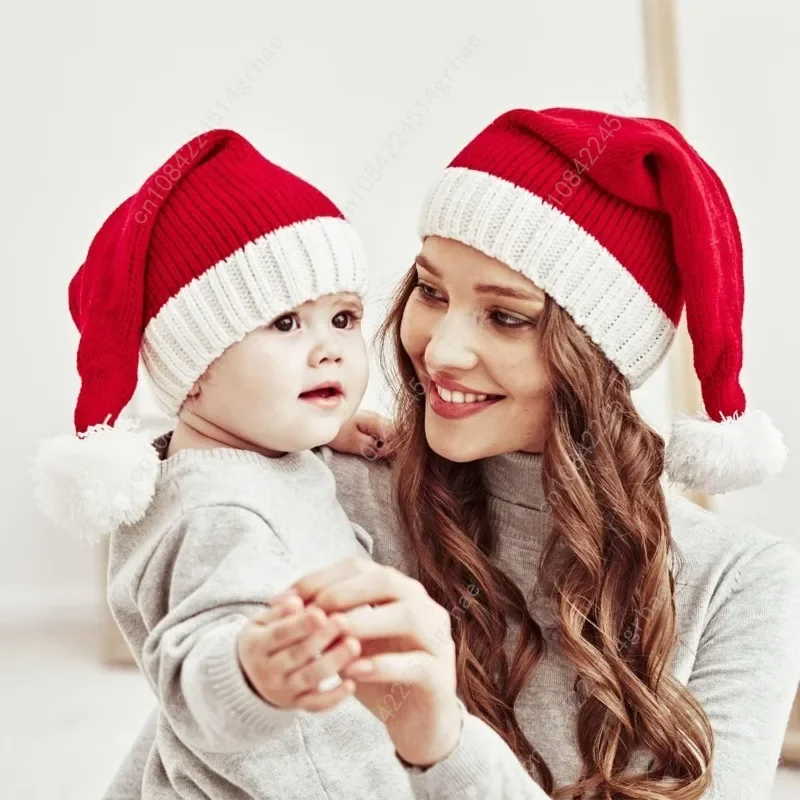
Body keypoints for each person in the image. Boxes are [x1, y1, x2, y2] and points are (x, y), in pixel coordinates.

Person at [103, 108, 800, 799]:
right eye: (431, 292)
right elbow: (185, 752)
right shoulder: (322, 487)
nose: (440, 349)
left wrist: (442, 746)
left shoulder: (741, 585)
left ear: (600, 356)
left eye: (506, 317)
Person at [31, 129, 467, 800]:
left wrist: (324, 433)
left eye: (344, 318)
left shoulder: (242, 455)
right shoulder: (218, 515)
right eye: (286, 325)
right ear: (195, 370)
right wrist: (246, 670)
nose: (329, 351)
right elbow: (196, 660)